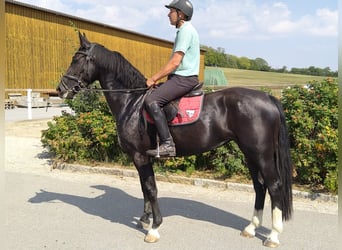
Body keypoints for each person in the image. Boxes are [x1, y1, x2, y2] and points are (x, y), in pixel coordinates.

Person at [145, 0, 200, 157]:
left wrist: (153, 78)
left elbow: (175, 62)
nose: (168, 14)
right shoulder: (185, 30)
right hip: (181, 78)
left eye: (171, 11)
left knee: (151, 100)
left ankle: (168, 144)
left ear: (180, 14)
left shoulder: (185, 31)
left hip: (184, 78)